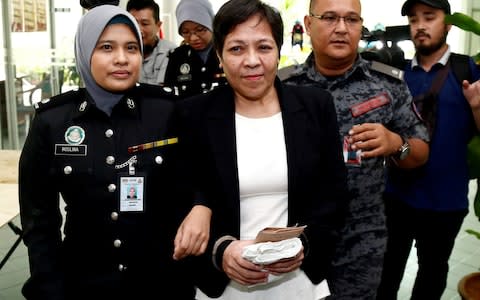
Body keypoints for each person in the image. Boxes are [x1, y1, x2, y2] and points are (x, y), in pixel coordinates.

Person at [18, 5, 209, 299]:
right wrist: (50, 287)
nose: (122, 58)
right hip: (84, 283)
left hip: (160, 283)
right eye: (107, 47)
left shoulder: (165, 111)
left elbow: (200, 174)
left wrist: (201, 206)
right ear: (85, 51)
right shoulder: (53, 121)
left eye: (131, 47)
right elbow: (39, 220)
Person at [176, 0, 350, 299]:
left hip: (298, 282)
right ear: (219, 55)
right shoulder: (193, 115)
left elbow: (333, 195)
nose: (252, 60)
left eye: (264, 47)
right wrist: (222, 249)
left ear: (278, 51)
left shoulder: (315, 106)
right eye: (236, 49)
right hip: (224, 286)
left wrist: (304, 245)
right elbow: (178, 195)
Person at [281, 0, 431, 299]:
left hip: (361, 239)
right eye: (330, 18)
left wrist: (395, 144)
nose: (341, 28)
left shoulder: (386, 83)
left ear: (361, 27)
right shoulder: (284, 86)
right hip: (294, 236)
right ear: (308, 25)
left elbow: (420, 151)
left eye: (351, 20)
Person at [377, 0, 480, 299]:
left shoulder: (467, 70)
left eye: (429, 17)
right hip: (396, 195)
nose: (420, 25)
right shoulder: (398, 74)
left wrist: (475, 105)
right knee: (387, 272)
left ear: (448, 23)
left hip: (445, 201)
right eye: (413, 19)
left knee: (431, 276)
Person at [163, 0, 228, 98]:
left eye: (200, 30)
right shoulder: (178, 56)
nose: (193, 38)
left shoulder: (226, 50)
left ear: (211, 25)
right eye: (186, 32)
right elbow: (170, 94)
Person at [126, 0, 176, 85]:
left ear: (158, 26)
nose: (138, 30)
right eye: (133, 23)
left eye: (145, 24)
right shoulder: (120, 53)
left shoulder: (171, 52)